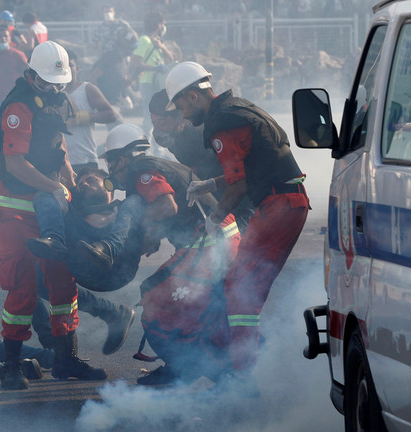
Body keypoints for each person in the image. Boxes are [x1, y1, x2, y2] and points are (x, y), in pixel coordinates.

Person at [166, 61, 310, 379]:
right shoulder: (237, 108)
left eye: (179, 105)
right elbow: (250, 167)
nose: (182, 114)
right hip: (286, 202)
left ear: (192, 96)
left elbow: (241, 184)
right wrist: (211, 184)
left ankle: (242, 379)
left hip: (278, 207)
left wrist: (215, 219)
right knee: (243, 289)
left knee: (240, 293)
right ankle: (250, 367)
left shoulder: (223, 123)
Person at [0, 119, 135, 356]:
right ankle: (61, 341)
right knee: (26, 283)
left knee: (54, 287)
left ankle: (85, 331)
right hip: (26, 234)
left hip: (50, 230)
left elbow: (58, 154)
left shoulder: (20, 156)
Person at [0, 41, 108, 390]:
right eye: (48, 83)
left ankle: (66, 359)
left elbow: (59, 141)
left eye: (60, 83)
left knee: (62, 279)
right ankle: (11, 366)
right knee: (23, 283)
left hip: (49, 197)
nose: (55, 88)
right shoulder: (17, 105)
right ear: (32, 75)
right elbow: (14, 162)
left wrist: (68, 174)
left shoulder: (58, 96)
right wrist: (53, 188)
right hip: (13, 203)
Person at [99, 123, 241, 386]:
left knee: (155, 295)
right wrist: (151, 236)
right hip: (219, 237)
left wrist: (142, 233)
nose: (110, 169)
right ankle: (226, 371)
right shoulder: (156, 164)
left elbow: (166, 206)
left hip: (209, 240)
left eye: (111, 161)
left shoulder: (141, 171)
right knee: (205, 308)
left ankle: (187, 369)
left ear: (123, 157)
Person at [149, 89, 254, 232]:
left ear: (181, 117)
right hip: (219, 196)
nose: (157, 129)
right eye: (154, 122)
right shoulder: (175, 139)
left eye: (162, 122)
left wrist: (217, 213)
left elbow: (242, 177)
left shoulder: (207, 135)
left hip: (243, 199)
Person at [63, 49, 119, 172]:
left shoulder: (87, 89)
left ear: (77, 68)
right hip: (58, 161)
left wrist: (84, 117)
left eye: (70, 65)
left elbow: (111, 115)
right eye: (62, 66)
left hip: (84, 159)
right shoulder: (50, 92)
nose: (66, 69)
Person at [130, 12, 173, 145]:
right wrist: (156, 68)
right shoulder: (144, 40)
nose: (164, 27)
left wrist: (161, 46)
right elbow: (136, 62)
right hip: (148, 82)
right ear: (159, 25)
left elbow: (171, 58)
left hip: (157, 83)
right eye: (163, 24)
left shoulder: (156, 41)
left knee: (160, 116)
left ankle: (158, 149)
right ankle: (146, 147)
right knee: (150, 117)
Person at [90, 6, 138, 106]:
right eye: (106, 11)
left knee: (123, 78)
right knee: (94, 76)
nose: (108, 14)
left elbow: (132, 36)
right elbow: (95, 42)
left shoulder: (121, 24)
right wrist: (96, 45)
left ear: (114, 12)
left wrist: (127, 44)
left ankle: (126, 97)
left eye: (110, 11)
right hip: (106, 57)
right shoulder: (100, 27)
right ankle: (97, 99)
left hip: (120, 56)